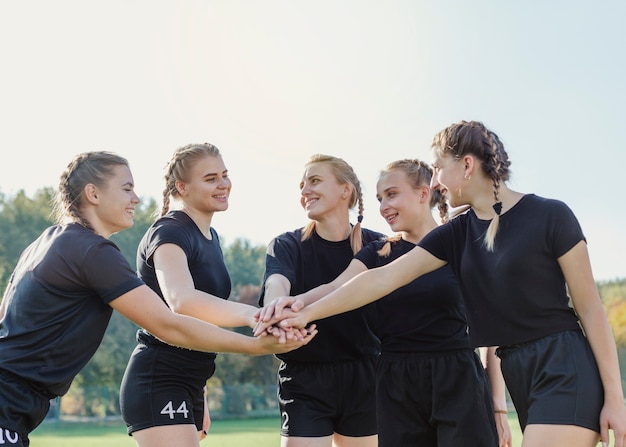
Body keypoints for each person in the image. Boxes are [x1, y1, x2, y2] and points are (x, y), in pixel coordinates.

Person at [271, 120, 626, 447]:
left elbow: (590, 308)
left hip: (562, 361)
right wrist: (305, 312)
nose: (436, 181)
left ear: (467, 166)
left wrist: (615, 397)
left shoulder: (551, 214)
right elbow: (380, 279)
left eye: (439, 168)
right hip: (515, 368)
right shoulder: (456, 234)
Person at [0, 151, 316, 447]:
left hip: (16, 403)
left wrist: (199, 386)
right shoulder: (92, 251)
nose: (136, 198)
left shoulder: (48, 241)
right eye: (126, 189)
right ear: (93, 195)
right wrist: (256, 344)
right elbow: (167, 323)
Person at [258, 159, 508, 446]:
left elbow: (493, 329)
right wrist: (292, 308)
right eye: (379, 198)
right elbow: (337, 287)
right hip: (396, 382)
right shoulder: (377, 252)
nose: (383, 206)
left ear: (424, 193)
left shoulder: (462, 244)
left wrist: (498, 406)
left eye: (391, 194)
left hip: (457, 378)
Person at [119, 142, 300, 446]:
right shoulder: (170, 231)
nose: (223, 184)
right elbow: (182, 301)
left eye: (225, 175)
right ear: (182, 187)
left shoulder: (211, 237)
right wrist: (252, 316)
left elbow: (204, 319)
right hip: (159, 377)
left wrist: (199, 389)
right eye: (211, 178)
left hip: (191, 379)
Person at [256, 154, 384, 447]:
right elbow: (276, 282)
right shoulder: (287, 244)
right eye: (302, 185)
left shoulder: (379, 246)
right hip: (304, 378)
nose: (304, 192)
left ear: (345, 189)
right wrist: (276, 305)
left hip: (367, 377)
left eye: (314, 181)